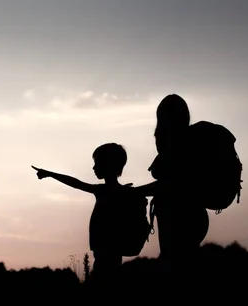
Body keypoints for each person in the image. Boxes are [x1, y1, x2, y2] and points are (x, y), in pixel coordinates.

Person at [32, 143, 132, 275]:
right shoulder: (110, 191)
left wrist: (50, 174)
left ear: (109, 165)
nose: (94, 167)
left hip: (108, 252)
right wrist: (50, 174)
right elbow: (76, 183)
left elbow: (76, 184)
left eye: (98, 163)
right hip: (104, 252)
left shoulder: (108, 192)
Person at [134, 94, 209, 267]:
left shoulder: (179, 150)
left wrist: (136, 192)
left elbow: (169, 185)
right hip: (194, 215)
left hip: (178, 215)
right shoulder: (190, 146)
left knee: (174, 266)